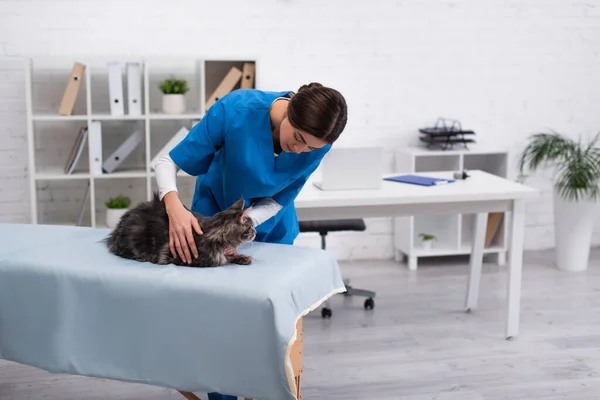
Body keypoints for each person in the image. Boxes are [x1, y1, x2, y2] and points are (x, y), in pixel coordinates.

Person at [153, 82, 347, 400]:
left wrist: (246, 225)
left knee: (269, 322)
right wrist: (174, 208)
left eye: (311, 149)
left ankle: (266, 388)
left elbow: (281, 197)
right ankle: (222, 391)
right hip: (215, 217)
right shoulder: (236, 111)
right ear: (290, 110)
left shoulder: (317, 143)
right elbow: (167, 163)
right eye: (298, 138)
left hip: (272, 229)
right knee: (220, 316)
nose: (300, 150)